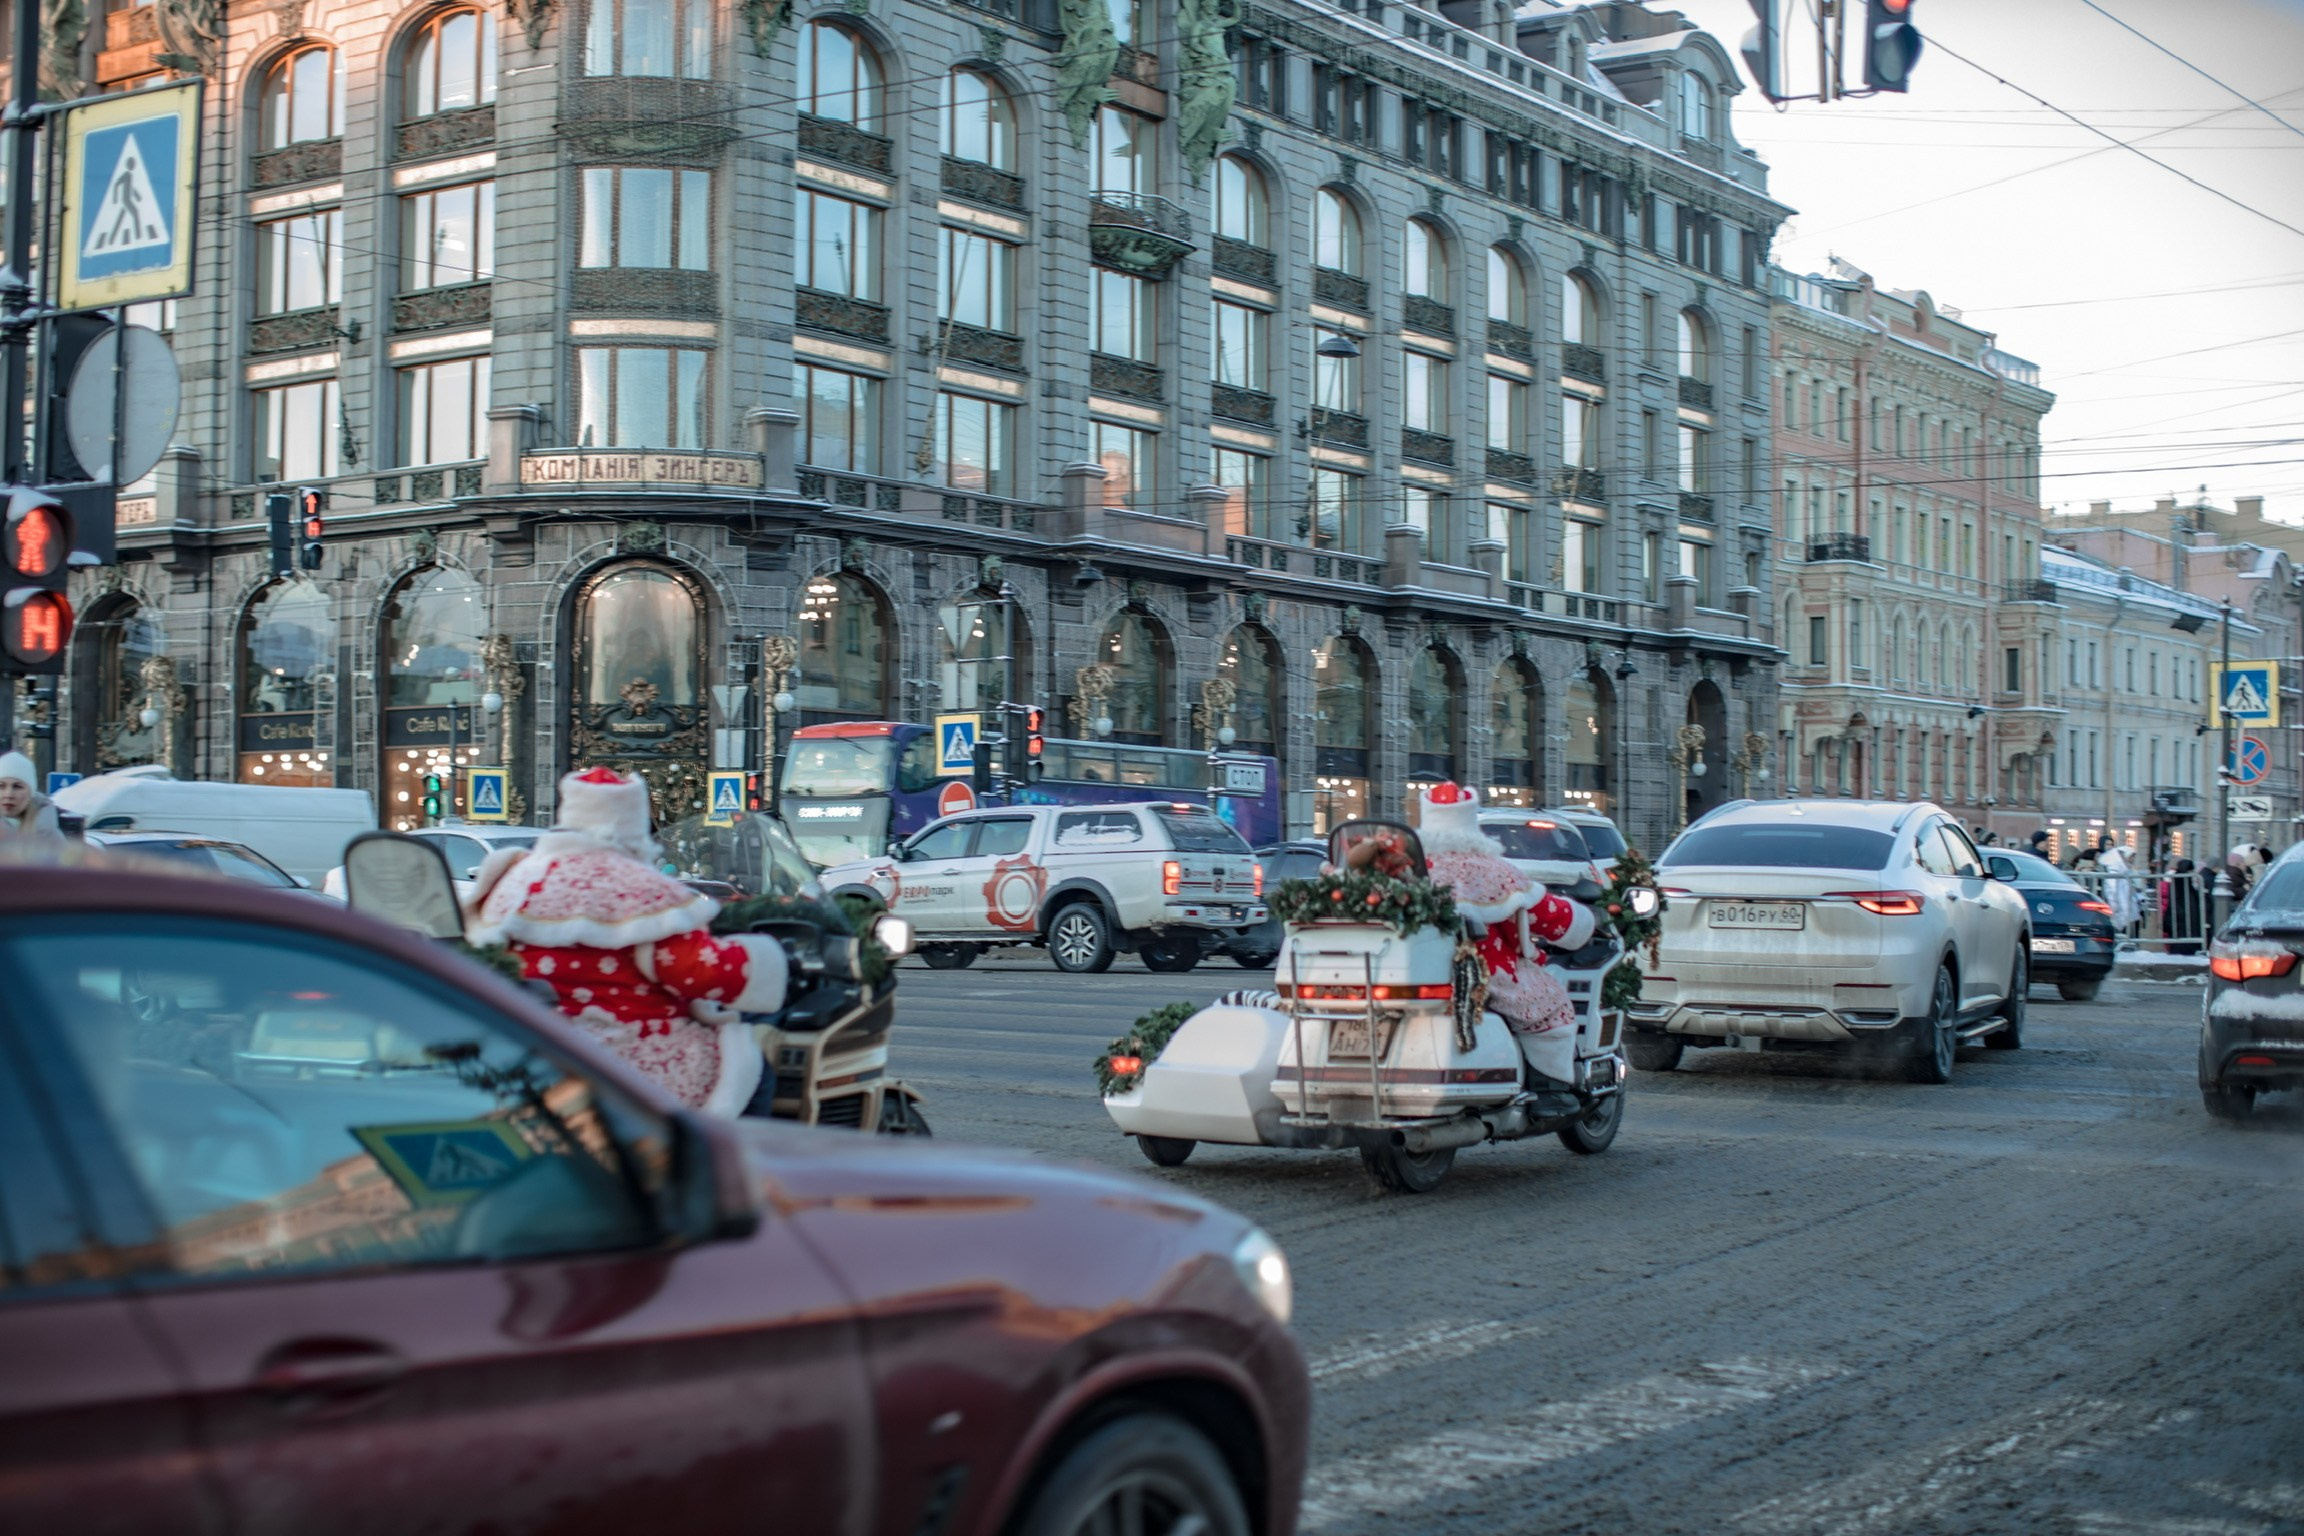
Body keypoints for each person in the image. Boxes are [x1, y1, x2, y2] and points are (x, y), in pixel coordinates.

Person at [466, 766, 789, 1113]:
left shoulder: (519, 877)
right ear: (631, 824)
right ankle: (725, 1162)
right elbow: (699, 971)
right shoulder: (641, 888)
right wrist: (760, 958)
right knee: (748, 1066)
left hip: (537, 1051)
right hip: (631, 1056)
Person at [1410, 782, 1594, 1086]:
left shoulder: (1410, 869)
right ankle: (1553, 1087)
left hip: (1420, 972)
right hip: (1487, 974)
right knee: (1550, 1007)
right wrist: (1584, 921)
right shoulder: (1495, 871)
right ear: (1470, 821)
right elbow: (1549, 916)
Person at [0, 750, 62, 852]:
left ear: (31, 793)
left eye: (17, 787)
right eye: (1, 786)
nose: (8, 795)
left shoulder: (50, 837)